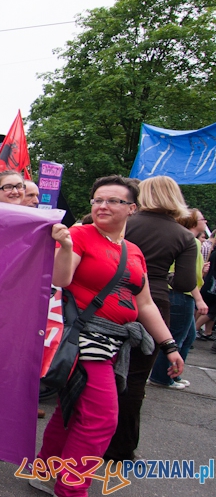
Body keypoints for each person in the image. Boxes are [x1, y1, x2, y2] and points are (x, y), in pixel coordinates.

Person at [33, 175, 184, 497]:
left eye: (113, 200)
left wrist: (169, 345)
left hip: (113, 344)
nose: (103, 205)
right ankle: (72, 489)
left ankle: (47, 471)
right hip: (84, 342)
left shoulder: (134, 251)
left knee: (71, 411)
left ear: (132, 208)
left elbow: (144, 304)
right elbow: (62, 278)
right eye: (98, 199)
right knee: (101, 419)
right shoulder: (80, 234)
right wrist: (68, 246)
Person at [104, 176, 197, 462]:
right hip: (154, 303)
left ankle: (85, 436)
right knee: (134, 381)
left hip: (108, 299)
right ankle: (122, 448)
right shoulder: (184, 236)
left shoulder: (121, 222)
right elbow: (183, 282)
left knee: (99, 371)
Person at [148, 209, 207, 388]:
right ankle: (163, 376)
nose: (205, 221)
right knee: (177, 337)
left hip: (180, 293)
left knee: (187, 336)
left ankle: (171, 375)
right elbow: (187, 278)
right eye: (201, 218)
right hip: (182, 295)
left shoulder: (184, 240)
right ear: (192, 222)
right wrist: (199, 299)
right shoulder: (191, 241)